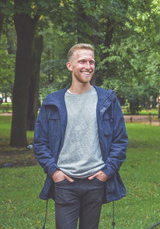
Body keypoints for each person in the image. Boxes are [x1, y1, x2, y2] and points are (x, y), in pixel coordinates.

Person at [33, 43, 128, 229]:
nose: (88, 66)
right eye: (82, 61)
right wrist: (54, 171)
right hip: (64, 182)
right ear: (70, 66)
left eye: (91, 62)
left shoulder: (107, 100)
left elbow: (120, 141)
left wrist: (106, 172)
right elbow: (40, 143)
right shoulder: (53, 102)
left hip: (96, 182)